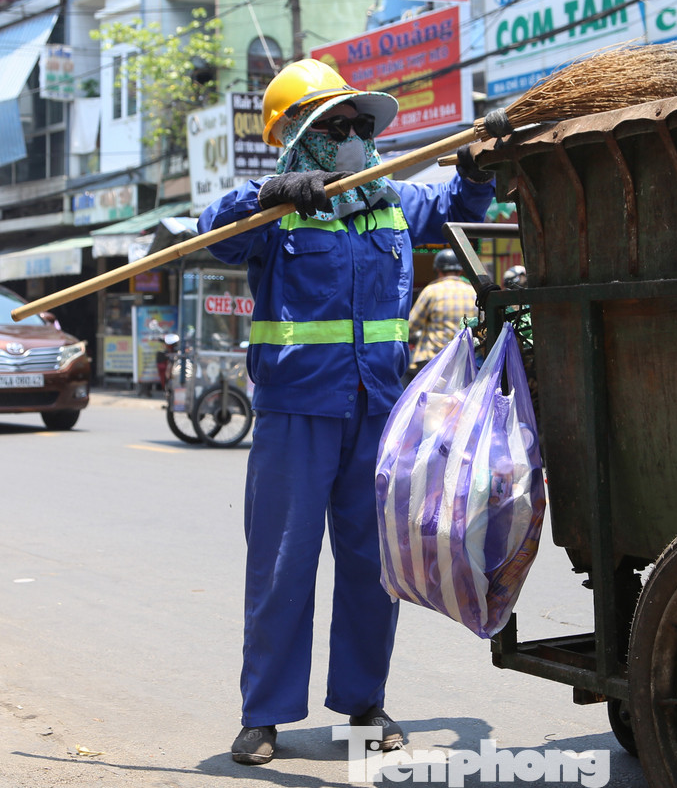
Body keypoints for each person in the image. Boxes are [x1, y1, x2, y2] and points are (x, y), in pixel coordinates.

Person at [196, 59, 495, 767]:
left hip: (377, 410)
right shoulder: (276, 212)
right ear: (303, 136)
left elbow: (462, 200)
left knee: (371, 566)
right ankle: (264, 714)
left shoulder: (390, 202)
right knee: (281, 565)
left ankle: (364, 702)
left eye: (363, 124)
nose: (358, 133)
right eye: (340, 124)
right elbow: (213, 233)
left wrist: (478, 167)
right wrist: (267, 193)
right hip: (297, 409)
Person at [405, 248, 478, 384]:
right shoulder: (473, 292)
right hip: (463, 362)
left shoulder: (431, 291)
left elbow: (411, 326)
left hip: (432, 361)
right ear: (460, 270)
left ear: (438, 270)